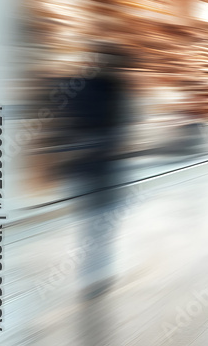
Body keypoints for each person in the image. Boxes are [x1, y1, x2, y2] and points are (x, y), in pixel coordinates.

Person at [60, 43, 132, 300]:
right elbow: (123, 130)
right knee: (104, 222)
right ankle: (97, 273)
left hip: (83, 167)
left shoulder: (76, 86)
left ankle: (91, 275)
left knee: (91, 222)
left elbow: (67, 124)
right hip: (105, 166)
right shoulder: (118, 88)